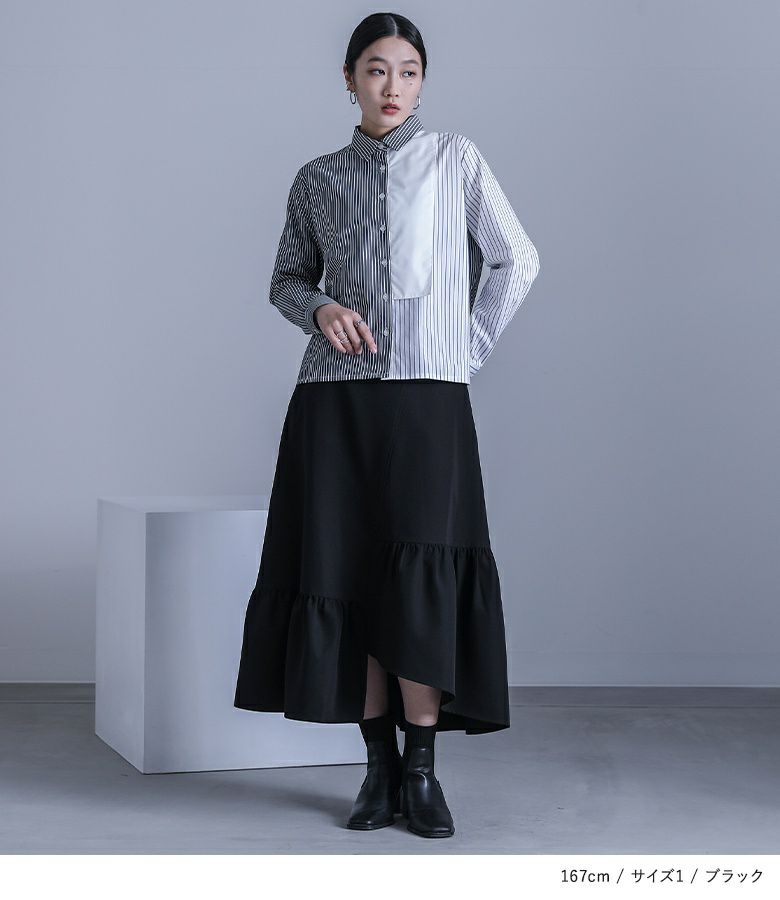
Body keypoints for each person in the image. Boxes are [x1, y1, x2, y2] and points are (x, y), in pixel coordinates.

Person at [234, 12, 540, 839]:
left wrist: (464, 348)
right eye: (376, 69)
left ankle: (423, 770)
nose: (393, 86)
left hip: (428, 400)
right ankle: (377, 768)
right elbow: (285, 280)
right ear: (349, 79)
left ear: (422, 81)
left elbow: (516, 258)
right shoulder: (318, 178)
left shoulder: (456, 159)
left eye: (408, 71)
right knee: (350, 573)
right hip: (334, 402)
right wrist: (320, 308)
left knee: (420, 578)